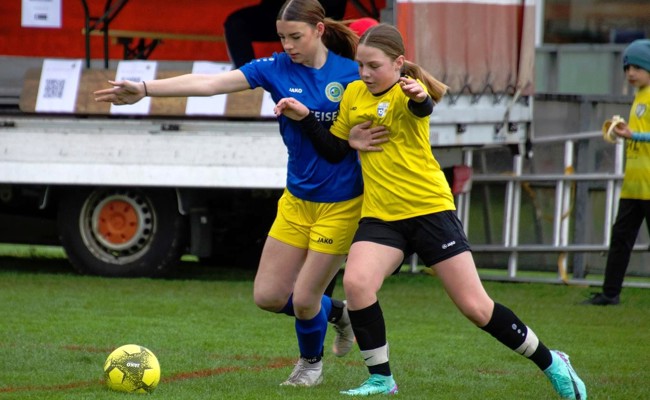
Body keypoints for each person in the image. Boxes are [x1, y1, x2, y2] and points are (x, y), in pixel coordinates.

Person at [274, 23, 588, 399]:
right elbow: (335, 149)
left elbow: (423, 107)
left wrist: (420, 94)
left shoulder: (408, 92)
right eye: (360, 66)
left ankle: (552, 361)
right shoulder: (355, 94)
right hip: (381, 216)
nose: (365, 74)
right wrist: (305, 116)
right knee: (358, 284)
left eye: (374, 66)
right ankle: (381, 379)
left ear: (399, 64)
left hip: (429, 212)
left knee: (476, 308)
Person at [94, 0, 362, 387]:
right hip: (297, 201)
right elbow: (210, 84)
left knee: (304, 298)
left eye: (296, 37)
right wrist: (144, 89)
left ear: (319, 31)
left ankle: (310, 366)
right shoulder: (274, 69)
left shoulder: (351, 74)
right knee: (268, 296)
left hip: (340, 203)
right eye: (282, 37)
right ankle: (340, 314)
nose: (287, 45)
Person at [584, 39, 650, 306]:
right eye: (627, 68)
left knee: (622, 239)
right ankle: (610, 293)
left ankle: (610, 292)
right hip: (633, 185)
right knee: (620, 239)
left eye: (636, 67)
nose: (630, 73)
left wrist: (635, 135)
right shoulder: (639, 96)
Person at [224, 0, 347, 68]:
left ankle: (302, 77)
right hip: (277, 10)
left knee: (294, 26)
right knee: (236, 24)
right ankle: (246, 76)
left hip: (319, 11)